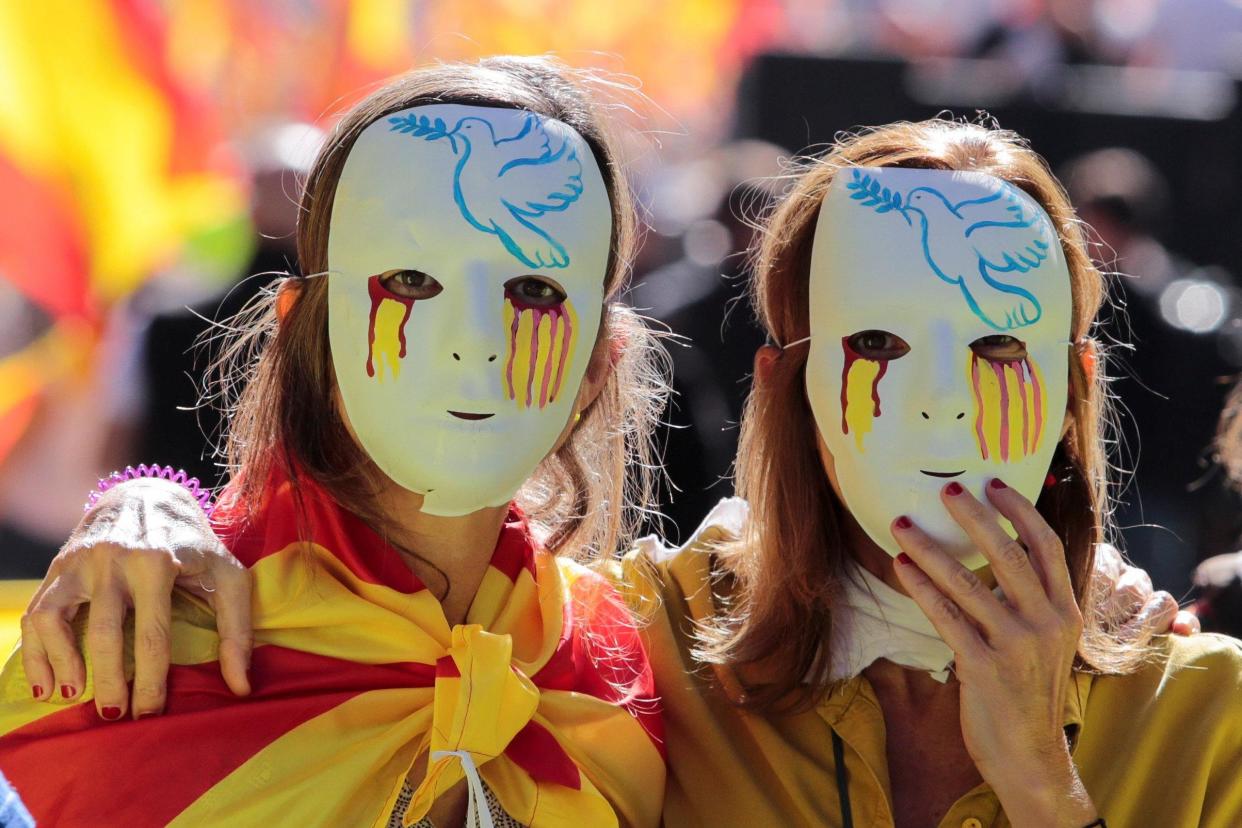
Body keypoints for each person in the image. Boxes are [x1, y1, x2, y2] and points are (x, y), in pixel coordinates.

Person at [10, 118, 1208, 826]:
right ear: (786, 382)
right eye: (879, 345)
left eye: (1000, 347)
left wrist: (1047, 792)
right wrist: (147, 502)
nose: (943, 398)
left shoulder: (1208, 716)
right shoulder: (665, 649)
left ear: (1071, 384)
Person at [0, 57, 668, 827]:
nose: (476, 342)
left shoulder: (633, 661)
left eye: (535, 290)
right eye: (411, 281)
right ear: (301, 331)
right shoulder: (135, 648)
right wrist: (138, 496)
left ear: (599, 363)